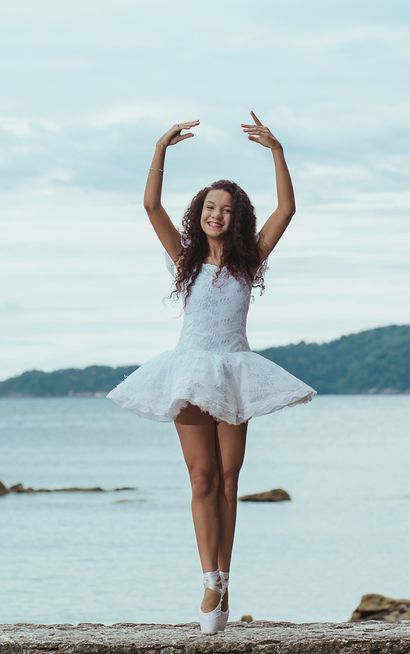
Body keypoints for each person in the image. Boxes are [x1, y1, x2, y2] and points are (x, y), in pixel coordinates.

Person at [107, 113, 316, 634]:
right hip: (189, 371)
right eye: (208, 206)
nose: (215, 214)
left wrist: (277, 151)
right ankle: (210, 583)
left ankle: (227, 578)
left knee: (228, 481)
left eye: (225, 209)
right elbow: (151, 205)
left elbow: (287, 209)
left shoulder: (249, 263)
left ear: (237, 217)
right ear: (198, 213)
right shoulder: (185, 261)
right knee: (200, 479)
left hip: (235, 373)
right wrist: (160, 149)